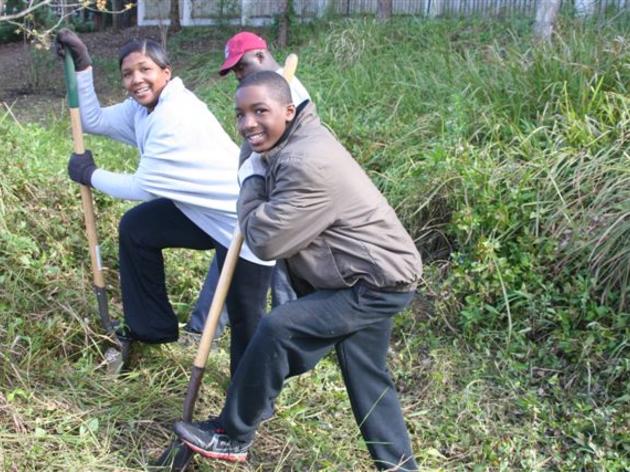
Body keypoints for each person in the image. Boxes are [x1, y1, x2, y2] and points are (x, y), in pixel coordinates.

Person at [174, 71, 422, 470]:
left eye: (260, 111)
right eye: (240, 115)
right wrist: (254, 162)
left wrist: (251, 179)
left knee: (279, 328)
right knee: (367, 379)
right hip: (363, 274)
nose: (248, 124)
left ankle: (232, 435)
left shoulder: (306, 161)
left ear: (289, 111)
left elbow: (266, 240)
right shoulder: (287, 142)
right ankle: (399, 467)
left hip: (374, 282)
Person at [55, 30, 274, 376]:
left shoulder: (175, 116)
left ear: (166, 73)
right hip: (198, 211)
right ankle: (151, 328)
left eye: (145, 70)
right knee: (138, 228)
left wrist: (89, 174)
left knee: (246, 318)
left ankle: (251, 401)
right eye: (128, 73)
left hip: (244, 223)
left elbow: (143, 186)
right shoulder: (142, 110)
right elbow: (91, 121)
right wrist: (83, 66)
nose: (136, 80)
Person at [187, 31, 310, 333]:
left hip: (281, 195)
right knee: (238, 252)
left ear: (259, 56)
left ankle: (286, 336)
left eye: (241, 67)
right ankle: (204, 327)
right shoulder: (263, 91)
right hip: (258, 192)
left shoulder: (289, 93)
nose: (239, 76)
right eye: (235, 72)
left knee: (279, 270)